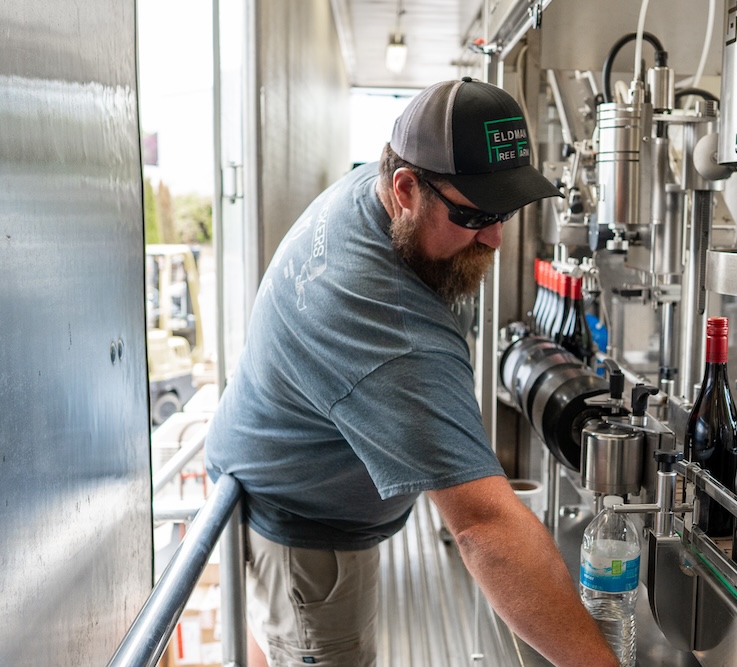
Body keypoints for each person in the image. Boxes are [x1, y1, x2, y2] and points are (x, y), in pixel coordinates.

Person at [205, 77, 619, 667]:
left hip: (266, 469)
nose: (496, 237)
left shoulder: (368, 195)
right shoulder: (387, 325)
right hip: (302, 531)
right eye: (476, 214)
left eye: (508, 211)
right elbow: (483, 528)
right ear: (405, 188)